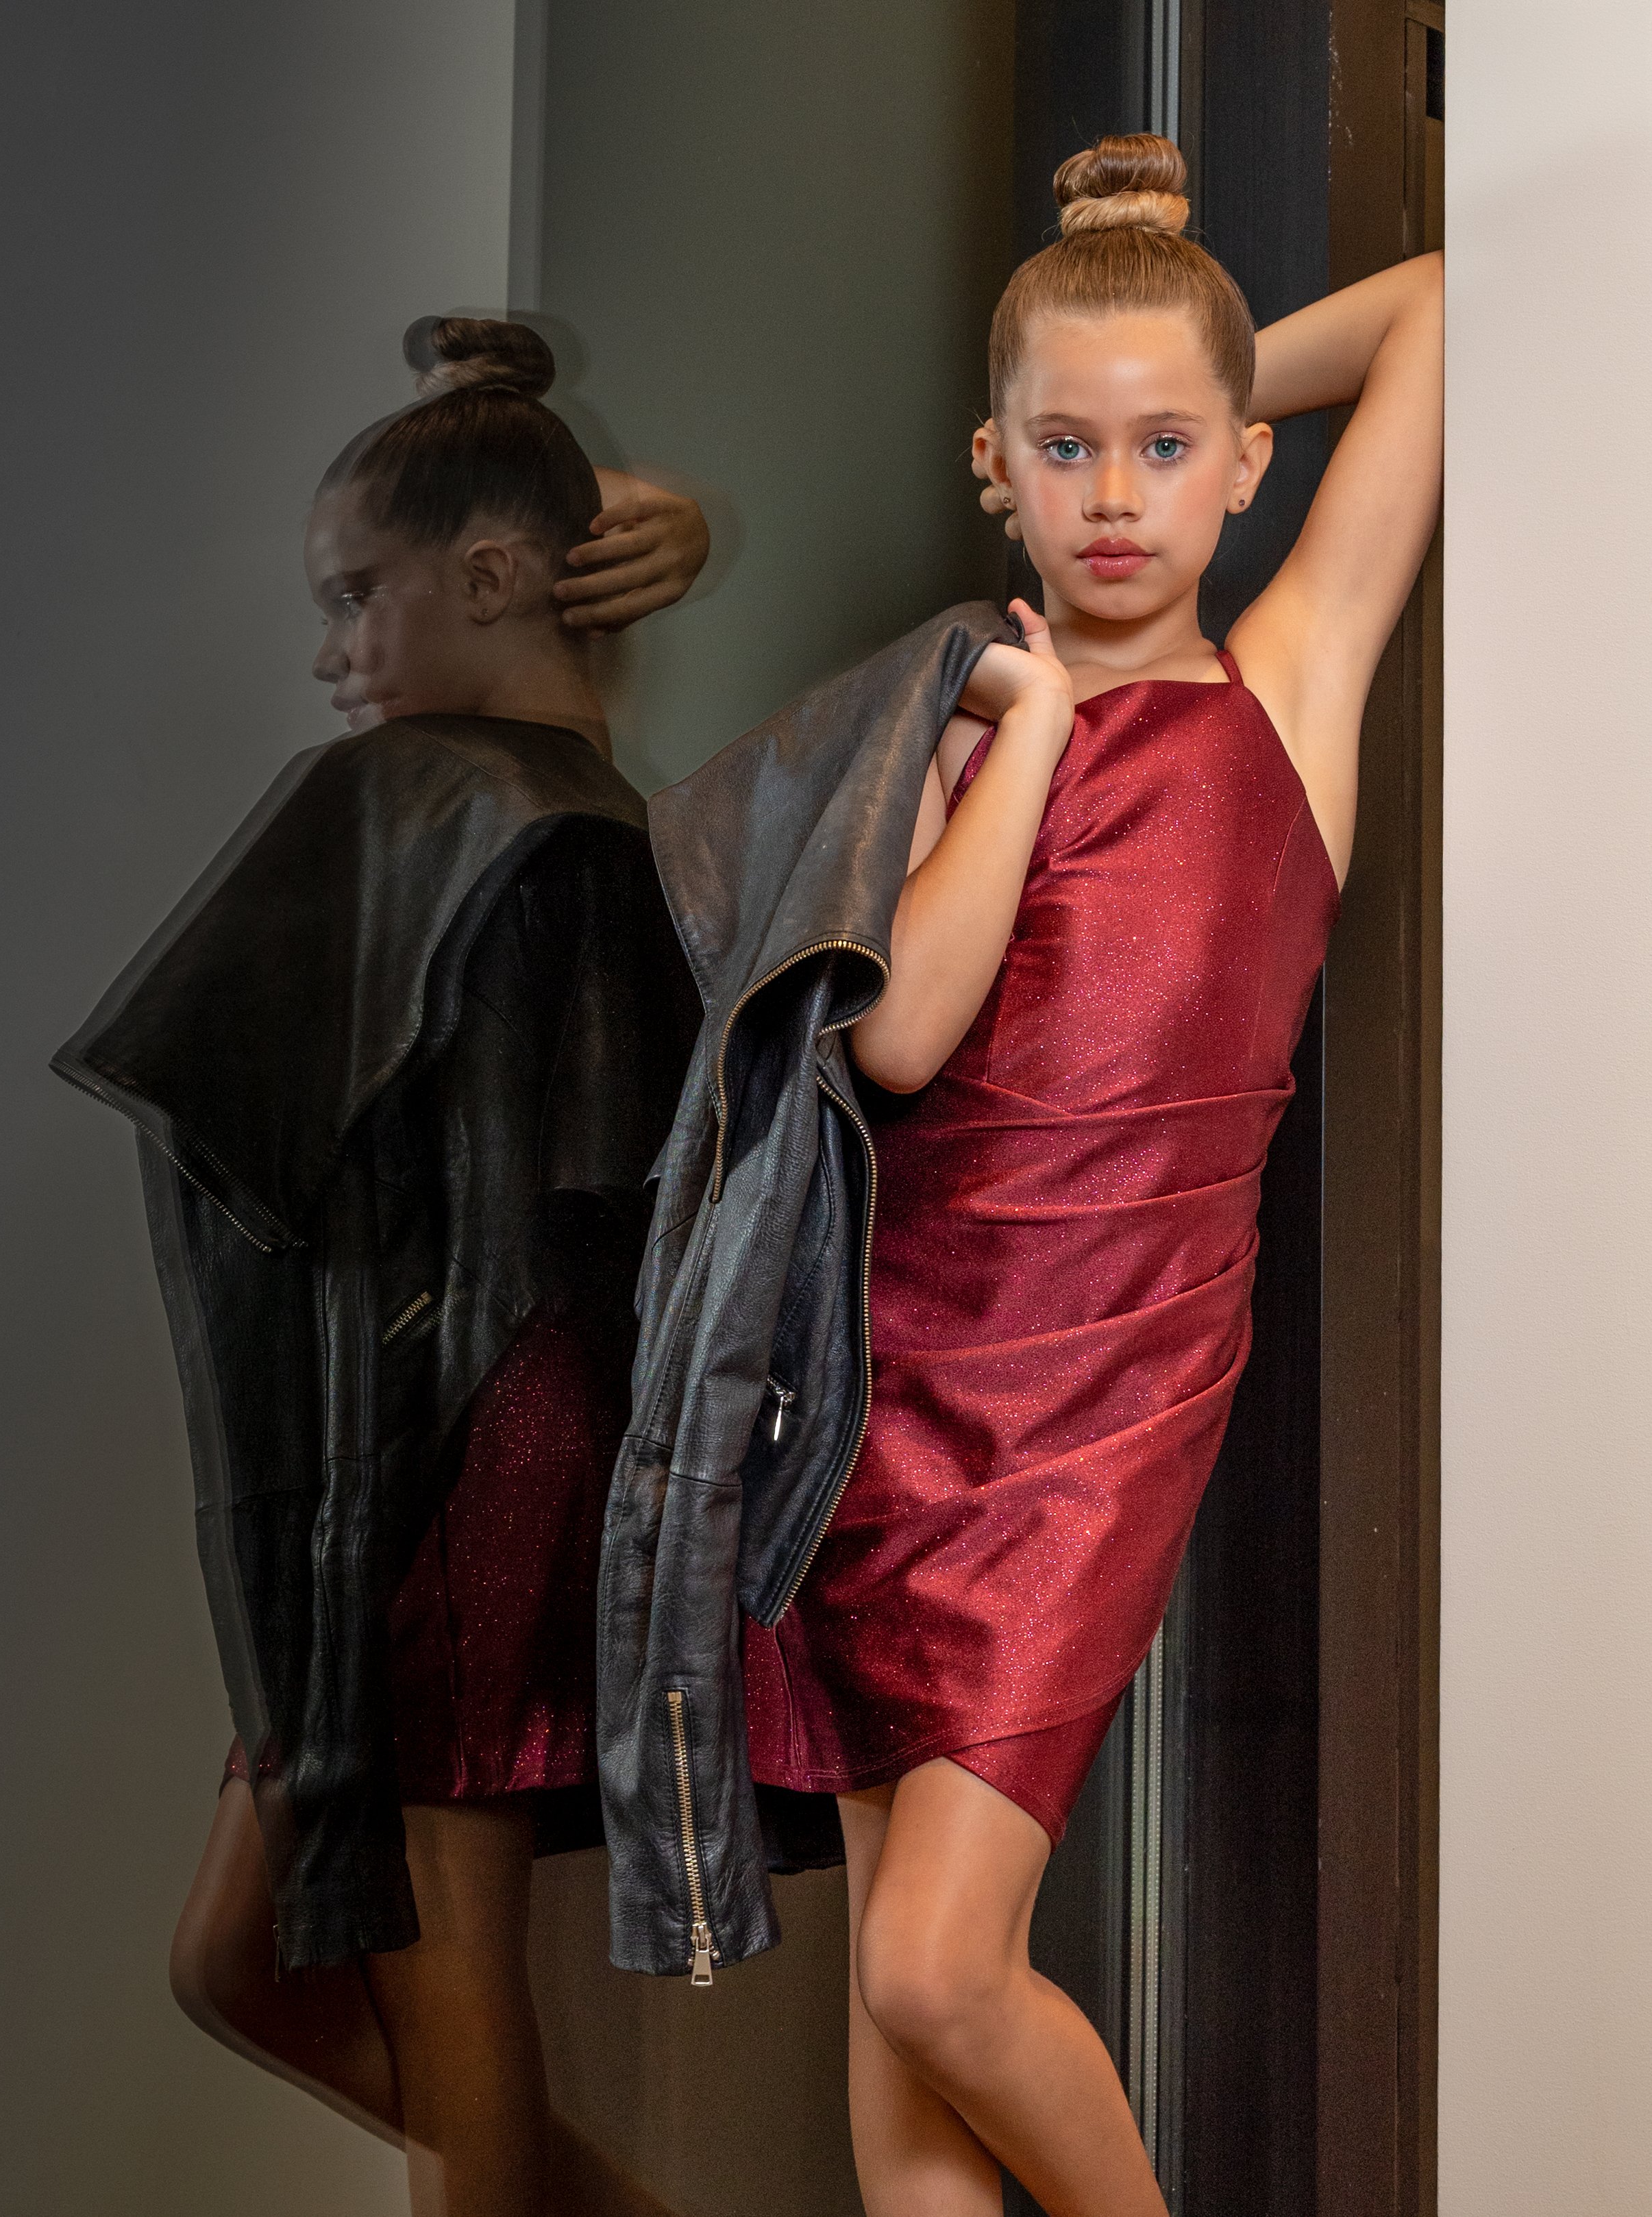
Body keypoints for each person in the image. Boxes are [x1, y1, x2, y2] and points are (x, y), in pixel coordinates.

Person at [598, 134, 1441, 2217]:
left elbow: (1440, 307)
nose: (1119, 494)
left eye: (1172, 445)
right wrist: (1035, 737)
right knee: (901, 2047)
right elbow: (901, 1032)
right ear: (997, 468)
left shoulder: (1287, 694)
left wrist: (1171, 304)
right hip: (884, 1396)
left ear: (1246, 461)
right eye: (1063, 447)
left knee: (930, 1964)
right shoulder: (954, 727)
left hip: (1099, 1399)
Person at [54, 317, 705, 2217]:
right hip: (483, 1444)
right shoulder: (574, 815)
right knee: (242, 1962)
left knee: (447, 1972)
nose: (333, 651)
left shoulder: (446, 800)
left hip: (469, 1460)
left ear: (492, 575)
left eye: (356, 598)